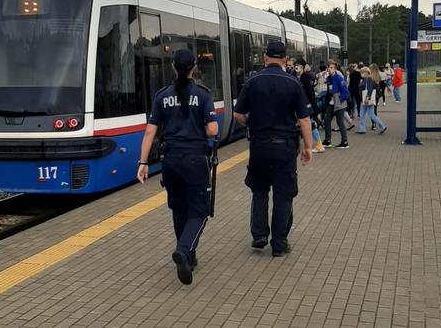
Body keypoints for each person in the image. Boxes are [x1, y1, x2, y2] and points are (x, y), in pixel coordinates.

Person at [137, 49, 218, 285]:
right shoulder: (203, 94)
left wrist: (143, 163)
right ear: (194, 67)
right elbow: (212, 130)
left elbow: (151, 131)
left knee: (179, 209)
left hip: (170, 161)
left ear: (173, 67)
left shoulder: (162, 96)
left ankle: (189, 258)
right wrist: (196, 131)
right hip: (195, 159)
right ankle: (183, 250)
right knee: (200, 211)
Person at [233, 41, 313, 257]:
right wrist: (308, 147)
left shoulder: (252, 82)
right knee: (283, 195)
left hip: (259, 145)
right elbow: (304, 121)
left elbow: (238, 115)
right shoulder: (294, 83)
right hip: (285, 147)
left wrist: (251, 123)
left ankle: (259, 236)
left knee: (259, 190)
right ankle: (279, 244)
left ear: (265, 58)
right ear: (285, 59)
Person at [322, 61, 350, 149]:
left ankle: (344, 142)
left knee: (340, 122)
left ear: (335, 69)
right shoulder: (330, 78)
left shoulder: (338, 78)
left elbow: (346, 92)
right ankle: (327, 140)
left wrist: (339, 99)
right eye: (329, 67)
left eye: (332, 68)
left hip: (339, 103)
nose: (330, 69)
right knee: (326, 120)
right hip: (331, 103)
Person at [357, 66, 387, 134]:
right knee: (369, 114)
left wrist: (367, 97)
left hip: (366, 99)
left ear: (367, 72)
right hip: (365, 99)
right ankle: (382, 126)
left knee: (367, 114)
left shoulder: (369, 79)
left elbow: (370, 89)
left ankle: (381, 126)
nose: (362, 73)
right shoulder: (366, 79)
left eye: (363, 72)